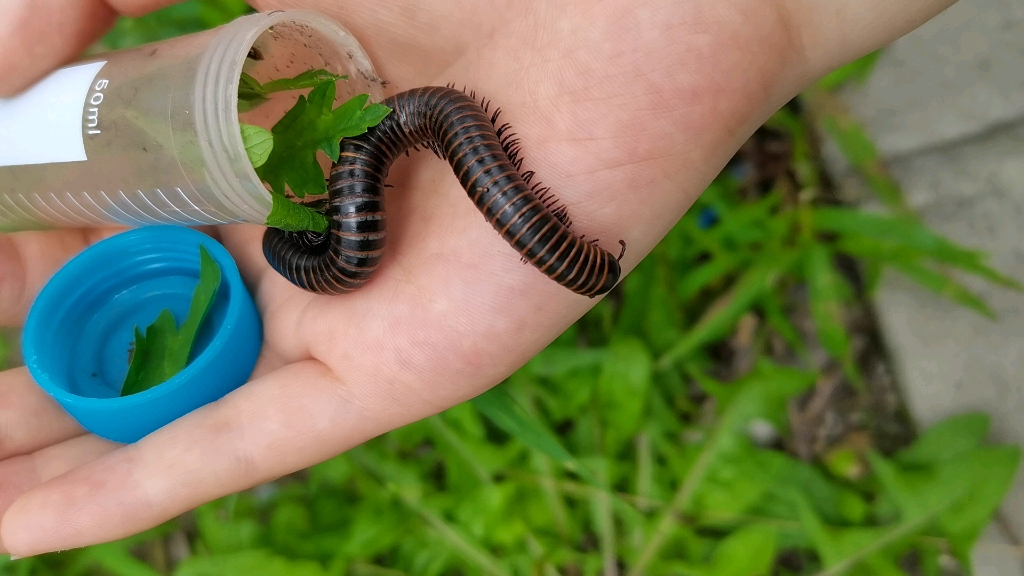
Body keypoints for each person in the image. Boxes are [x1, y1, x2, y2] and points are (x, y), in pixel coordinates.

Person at [0, 0, 958, 557]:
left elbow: (435, 136)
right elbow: (409, 171)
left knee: (406, 159)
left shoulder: (403, 150)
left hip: (412, 130)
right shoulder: (352, 209)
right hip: (405, 139)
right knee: (386, 186)